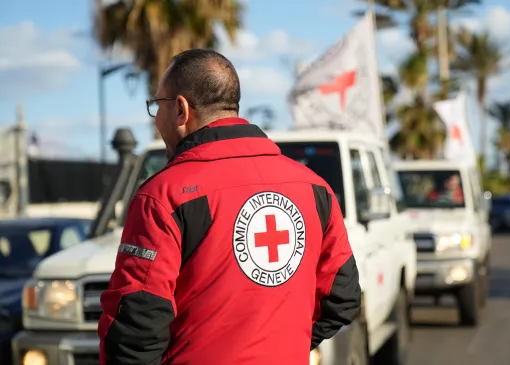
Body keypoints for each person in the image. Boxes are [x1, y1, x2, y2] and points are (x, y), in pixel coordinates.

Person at [97, 49, 361, 365]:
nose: (157, 120)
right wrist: (285, 344)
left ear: (180, 109)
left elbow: (135, 331)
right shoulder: (314, 188)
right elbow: (341, 298)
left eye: (158, 106)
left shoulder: (163, 196)